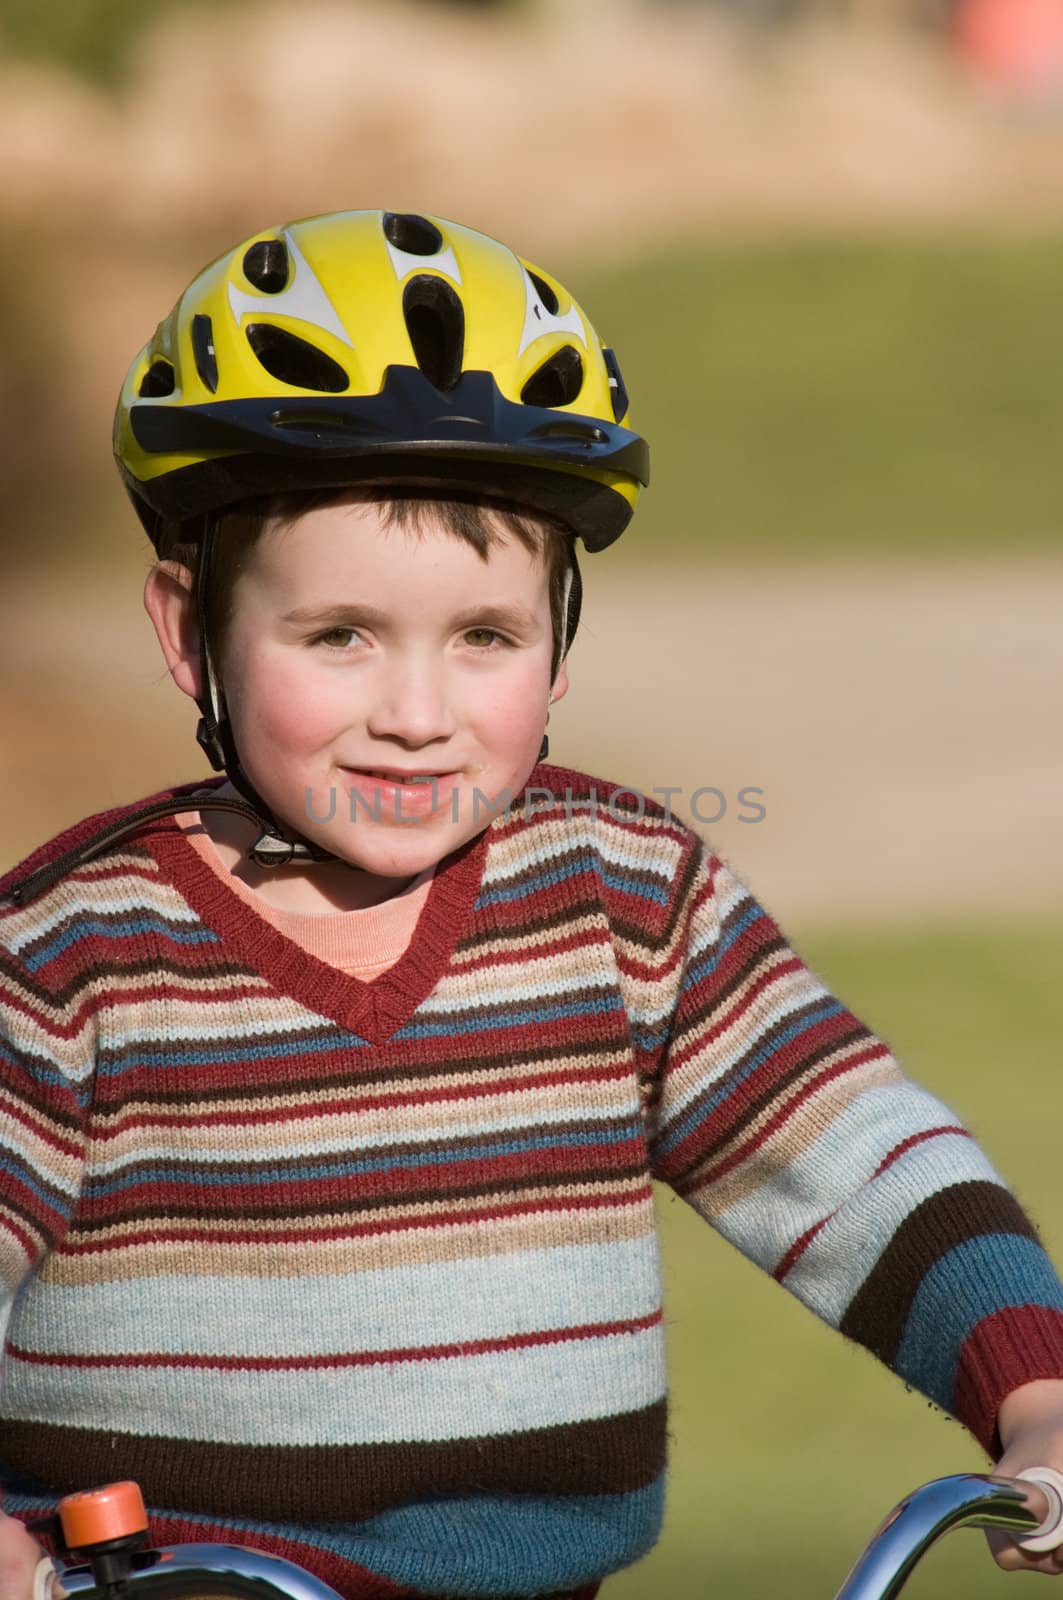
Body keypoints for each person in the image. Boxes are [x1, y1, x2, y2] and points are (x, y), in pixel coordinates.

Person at [2, 208, 1063, 1600]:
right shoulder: (76, 953)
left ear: (560, 641)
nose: (418, 717)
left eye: (485, 638)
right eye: (340, 638)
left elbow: (859, 1165)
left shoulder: (621, 899)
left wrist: (1037, 1396)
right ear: (186, 629)